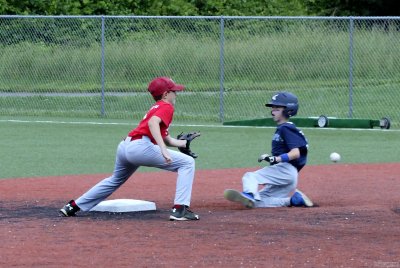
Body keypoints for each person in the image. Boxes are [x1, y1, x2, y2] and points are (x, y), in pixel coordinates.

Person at [60, 77, 200, 221]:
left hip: (125, 146)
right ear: (165, 94)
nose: (176, 94)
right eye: (173, 91)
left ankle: (73, 206)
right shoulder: (166, 107)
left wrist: (182, 144)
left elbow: (165, 138)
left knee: (115, 180)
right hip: (140, 148)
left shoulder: (156, 108)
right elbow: (153, 124)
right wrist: (163, 150)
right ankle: (180, 209)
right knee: (187, 163)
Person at [224, 91, 313, 208]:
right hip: (289, 175)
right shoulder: (285, 128)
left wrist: (276, 159)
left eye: (277, 108)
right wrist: (272, 159)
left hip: (285, 169)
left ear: (288, 110)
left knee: (250, 176)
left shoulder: (286, 128)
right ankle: (293, 201)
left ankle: (249, 193)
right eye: (272, 108)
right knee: (256, 202)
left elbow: (295, 153)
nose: (272, 111)